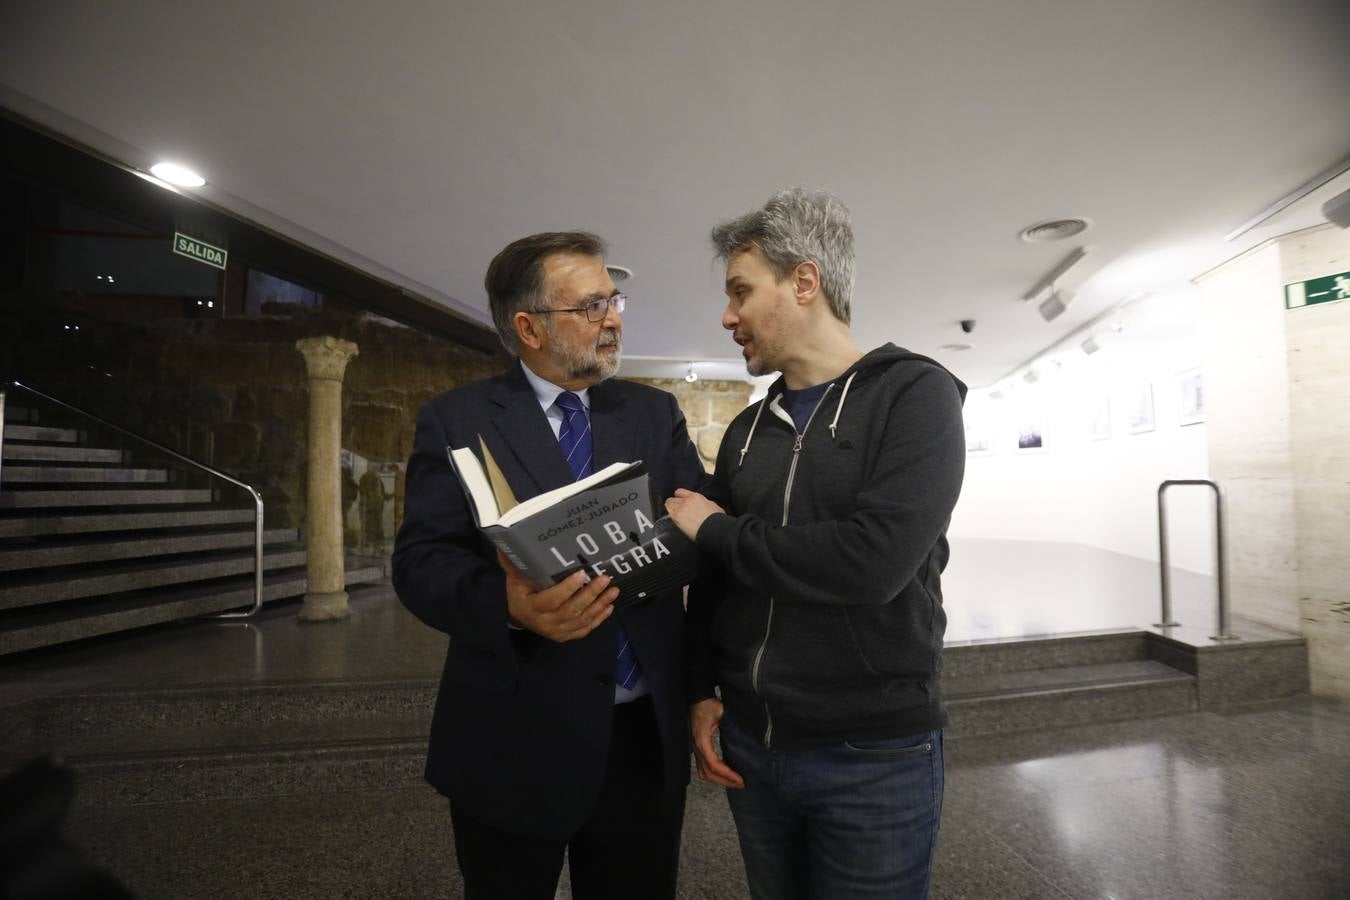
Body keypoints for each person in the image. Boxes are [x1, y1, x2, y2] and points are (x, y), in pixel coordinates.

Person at [666, 189, 966, 900]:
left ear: (804, 281)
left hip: (874, 754)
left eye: (741, 291)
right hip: (753, 745)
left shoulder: (915, 396)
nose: (726, 316)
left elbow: (873, 564)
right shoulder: (746, 431)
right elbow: (719, 578)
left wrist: (714, 525)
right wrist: (703, 691)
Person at [392, 231, 705, 900]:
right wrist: (508, 606)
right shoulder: (459, 420)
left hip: (642, 741)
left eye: (614, 300)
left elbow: (700, 531)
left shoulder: (655, 414)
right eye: (591, 306)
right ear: (529, 327)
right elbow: (421, 562)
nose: (614, 317)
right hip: (512, 740)